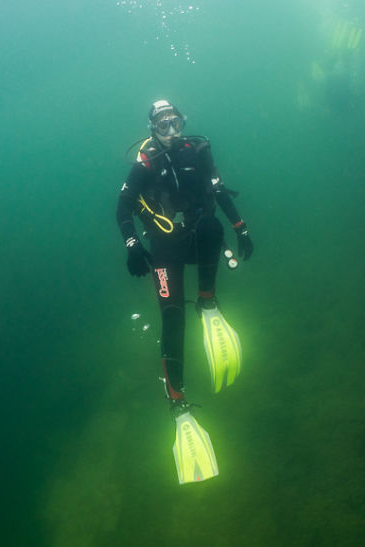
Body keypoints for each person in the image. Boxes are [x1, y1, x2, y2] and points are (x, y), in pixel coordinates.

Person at [116, 99, 253, 483]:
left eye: (175, 123)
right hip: (164, 252)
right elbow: (122, 209)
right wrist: (132, 246)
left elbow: (219, 192)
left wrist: (241, 227)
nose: (171, 132)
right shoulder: (144, 165)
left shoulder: (198, 150)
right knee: (172, 320)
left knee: (212, 226)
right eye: (163, 126)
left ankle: (207, 302)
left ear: (182, 122)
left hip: (195, 242)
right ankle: (178, 402)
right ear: (152, 129)